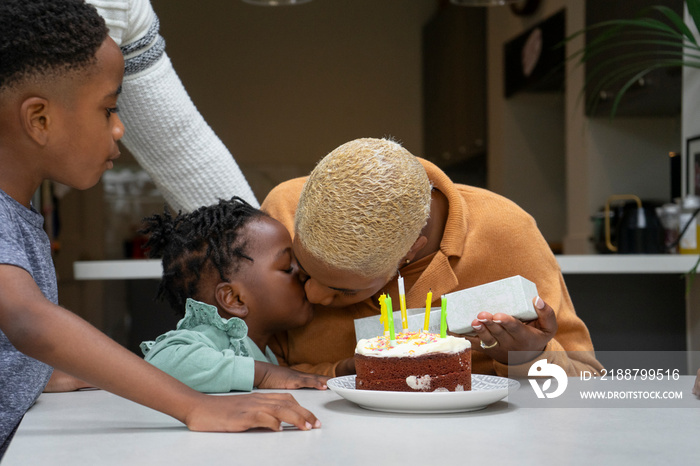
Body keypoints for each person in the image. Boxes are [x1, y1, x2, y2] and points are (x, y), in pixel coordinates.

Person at [0, 0, 319, 458]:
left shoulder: (19, 213)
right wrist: (193, 406)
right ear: (39, 120)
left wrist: (64, 375)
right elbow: (30, 322)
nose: (118, 128)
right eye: (107, 109)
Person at [261, 137, 605, 377]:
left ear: (411, 250)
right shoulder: (282, 214)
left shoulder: (508, 231)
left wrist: (529, 359)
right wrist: (338, 372)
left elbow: (585, 378)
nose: (312, 296)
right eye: (301, 271)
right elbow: (240, 360)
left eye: (345, 290)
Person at [138, 197, 328, 392]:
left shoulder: (264, 351)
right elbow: (160, 363)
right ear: (234, 299)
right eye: (288, 267)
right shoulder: (217, 338)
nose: (303, 272)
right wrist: (264, 374)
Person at [87, 0, 258, 212]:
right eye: (108, 111)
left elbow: (181, 143)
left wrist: (262, 239)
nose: (118, 130)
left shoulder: (122, 6)